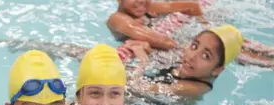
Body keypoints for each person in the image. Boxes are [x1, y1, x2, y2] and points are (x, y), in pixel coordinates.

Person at [106, 0, 274, 67]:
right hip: (174, 44)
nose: (141, 1)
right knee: (221, 49)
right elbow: (162, 42)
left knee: (221, 43)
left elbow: (192, 6)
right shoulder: (117, 19)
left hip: (179, 40)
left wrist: (204, 25)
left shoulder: (149, 6)